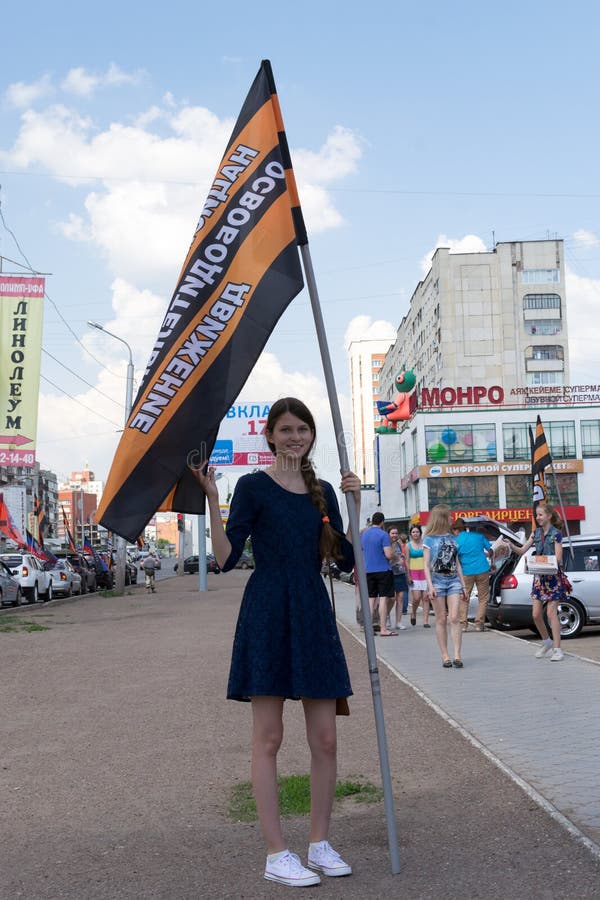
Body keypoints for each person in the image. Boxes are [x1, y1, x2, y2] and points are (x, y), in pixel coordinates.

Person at [191, 397, 361, 888]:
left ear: (311, 436)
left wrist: (354, 504)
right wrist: (210, 499)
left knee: (325, 739)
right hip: (267, 608)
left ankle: (320, 843)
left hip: (311, 609)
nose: (294, 437)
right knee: (269, 738)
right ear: (269, 436)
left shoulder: (323, 490)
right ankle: (276, 853)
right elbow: (225, 558)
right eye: (285, 429)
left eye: (302, 429)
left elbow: (347, 559)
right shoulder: (251, 486)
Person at [503, 503, 566, 662]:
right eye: (536, 515)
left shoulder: (556, 534)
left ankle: (558, 650)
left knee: (552, 614)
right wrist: (511, 545)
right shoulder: (535, 533)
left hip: (553, 578)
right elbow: (522, 550)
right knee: (536, 614)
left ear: (549, 516)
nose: (537, 518)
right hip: (539, 578)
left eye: (540, 515)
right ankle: (547, 642)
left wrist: (539, 560)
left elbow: (558, 558)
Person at [423, 505, 468, 668]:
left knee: (455, 617)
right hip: (437, 580)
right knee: (441, 619)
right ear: (442, 518)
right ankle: (445, 656)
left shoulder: (452, 538)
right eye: (449, 516)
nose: (451, 519)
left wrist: (463, 586)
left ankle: (457, 654)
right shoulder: (428, 539)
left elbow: (457, 563)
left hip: (454, 580)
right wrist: (430, 586)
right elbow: (426, 565)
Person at [452, 518, 494, 632]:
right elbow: (491, 550)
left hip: (466, 572)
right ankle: (479, 624)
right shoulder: (478, 536)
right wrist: (491, 558)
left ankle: (463, 625)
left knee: (464, 598)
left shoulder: (456, 541)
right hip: (482, 569)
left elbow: (455, 558)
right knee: (483, 598)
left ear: (456, 530)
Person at [361, 512, 397, 636]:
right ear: (382, 522)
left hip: (368, 570)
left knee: (371, 600)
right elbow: (388, 554)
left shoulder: (364, 535)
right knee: (383, 599)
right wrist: (394, 556)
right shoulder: (383, 535)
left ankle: (368, 628)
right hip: (383, 570)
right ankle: (383, 629)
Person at [407, 524, 430, 627]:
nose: (415, 534)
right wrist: (408, 575)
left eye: (417, 532)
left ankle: (425, 621)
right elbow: (407, 561)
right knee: (416, 598)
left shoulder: (425, 544)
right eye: (413, 532)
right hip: (414, 573)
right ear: (411, 534)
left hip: (425, 573)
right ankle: (413, 612)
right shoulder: (408, 545)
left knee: (425, 598)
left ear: (420, 533)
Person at [388, 527, 409, 630]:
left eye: (396, 533)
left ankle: (398, 622)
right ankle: (386, 615)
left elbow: (401, 557)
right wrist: (396, 562)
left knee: (400, 598)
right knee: (391, 598)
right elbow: (386, 559)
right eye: (392, 533)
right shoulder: (386, 545)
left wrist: (402, 559)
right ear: (388, 534)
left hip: (400, 573)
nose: (395, 535)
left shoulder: (398, 544)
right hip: (390, 573)